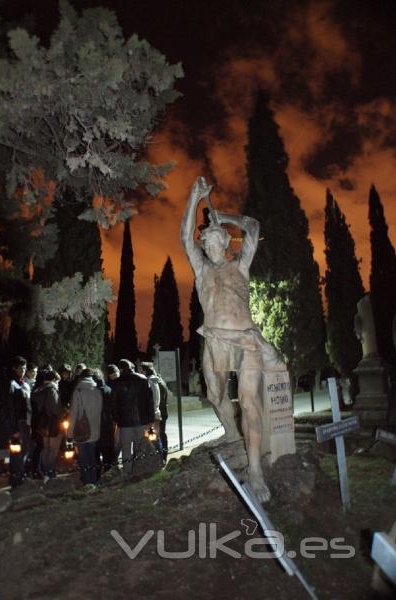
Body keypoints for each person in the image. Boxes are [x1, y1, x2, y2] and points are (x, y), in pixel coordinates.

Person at [181, 176, 286, 503]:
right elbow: (185, 236)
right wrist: (194, 197)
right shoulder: (201, 270)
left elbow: (252, 227)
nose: (209, 247)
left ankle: (255, 471)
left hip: (244, 341)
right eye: (206, 243)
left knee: (250, 401)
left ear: (226, 243)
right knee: (215, 396)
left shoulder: (241, 266)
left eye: (215, 242)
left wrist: (223, 216)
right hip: (214, 340)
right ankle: (230, 432)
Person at [111, 359, 154, 475]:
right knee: (139, 446)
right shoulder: (143, 379)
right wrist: (150, 419)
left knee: (126, 448)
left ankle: (127, 471)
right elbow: (150, 401)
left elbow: (114, 404)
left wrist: (117, 420)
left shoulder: (117, 382)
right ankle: (138, 469)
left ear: (120, 369)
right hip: (141, 420)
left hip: (125, 422)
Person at [68, 368, 103, 487]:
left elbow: (73, 414)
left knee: (83, 458)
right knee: (92, 456)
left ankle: (87, 482)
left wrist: (69, 434)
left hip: (81, 430)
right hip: (95, 429)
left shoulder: (78, 391)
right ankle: (93, 481)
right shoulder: (97, 390)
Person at [5, 356, 31, 489]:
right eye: (21, 368)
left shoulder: (23, 383)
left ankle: (20, 475)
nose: (24, 370)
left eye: (25, 368)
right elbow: (10, 408)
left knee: (25, 449)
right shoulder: (12, 384)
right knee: (16, 451)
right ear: (14, 368)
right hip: (17, 424)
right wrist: (14, 428)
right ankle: (15, 479)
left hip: (24, 422)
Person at [32, 370, 63, 482]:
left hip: (42, 424)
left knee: (46, 450)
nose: (58, 383)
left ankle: (45, 473)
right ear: (54, 380)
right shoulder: (52, 390)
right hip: (53, 424)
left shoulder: (38, 390)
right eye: (58, 381)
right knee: (53, 451)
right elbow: (55, 409)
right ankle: (49, 474)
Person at [139, 362, 164, 462]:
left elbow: (148, 400)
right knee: (155, 438)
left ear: (144, 371)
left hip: (150, 415)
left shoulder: (148, 382)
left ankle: (157, 460)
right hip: (156, 412)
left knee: (152, 438)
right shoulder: (156, 381)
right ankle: (160, 458)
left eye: (141, 370)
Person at [93, 368, 116, 473]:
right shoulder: (108, 390)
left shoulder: (91, 392)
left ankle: (97, 474)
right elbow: (113, 408)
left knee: (96, 451)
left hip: (95, 425)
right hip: (107, 424)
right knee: (108, 451)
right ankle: (108, 472)